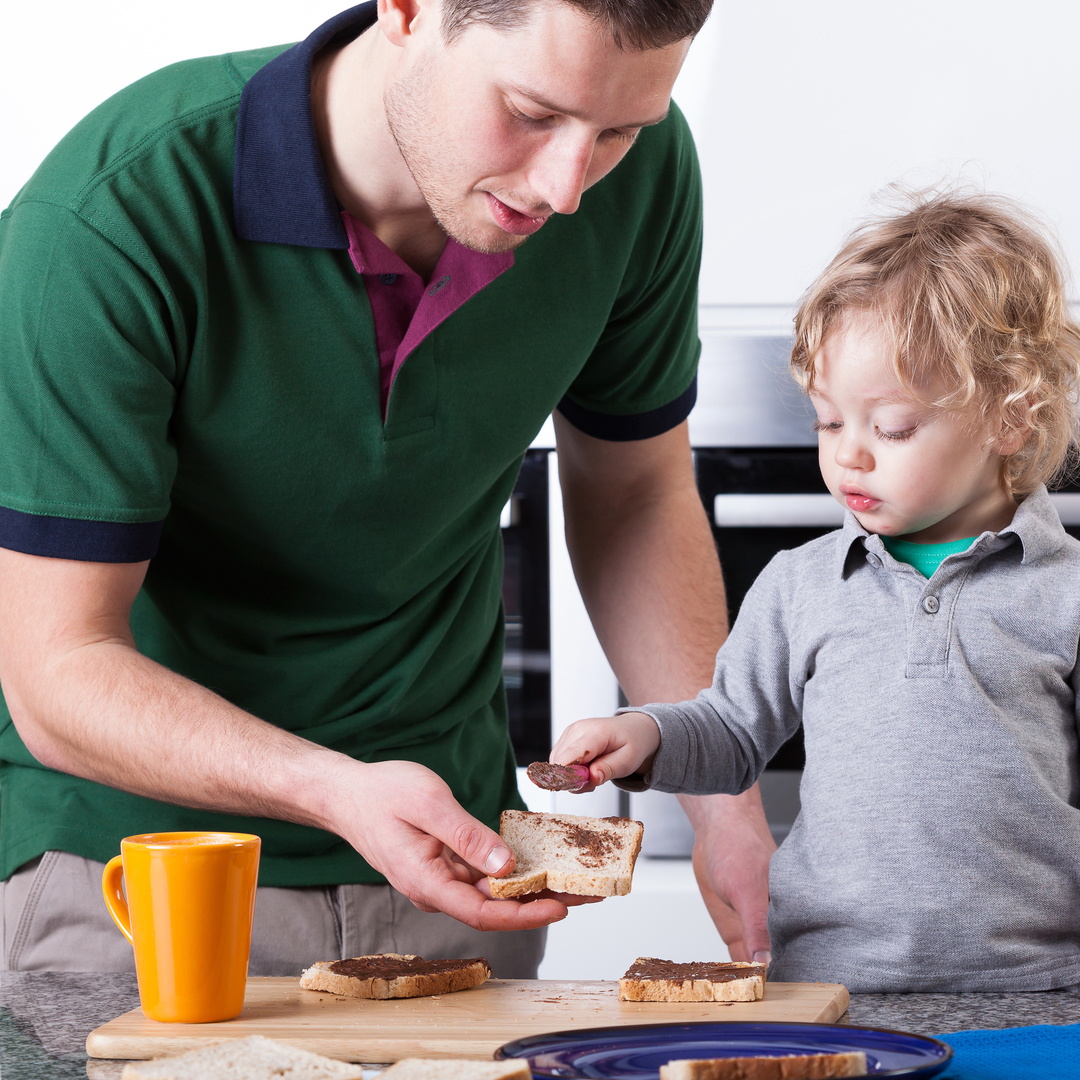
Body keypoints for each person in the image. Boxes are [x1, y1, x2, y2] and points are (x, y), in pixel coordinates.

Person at [0, 0, 776, 975]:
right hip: (139, 878)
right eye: (531, 111)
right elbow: (56, 668)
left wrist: (720, 793)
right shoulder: (115, 214)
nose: (567, 187)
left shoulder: (643, 181)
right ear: (410, 9)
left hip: (453, 873)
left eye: (618, 130)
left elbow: (634, 500)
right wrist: (334, 789)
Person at [550, 190, 1080, 992]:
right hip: (827, 985)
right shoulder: (802, 584)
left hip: (1040, 990)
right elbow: (731, 731)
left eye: (891, 427)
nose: (849, 457)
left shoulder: (1065, 594)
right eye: (828, 422)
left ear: (1011, 418)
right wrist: (648, 737)